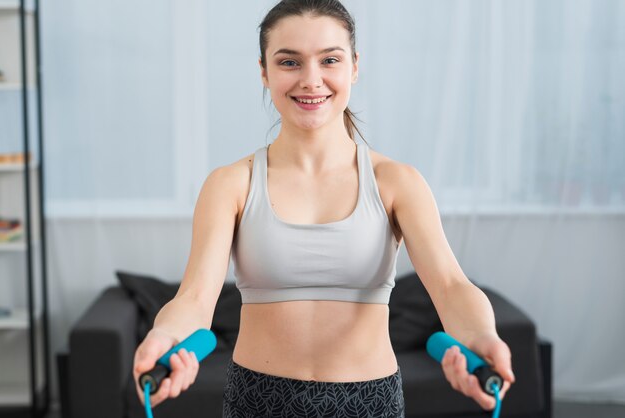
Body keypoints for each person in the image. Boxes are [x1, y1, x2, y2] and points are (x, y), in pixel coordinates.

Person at [132, 0, 516, 417]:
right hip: (255, 401)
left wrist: (483, 336)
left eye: (329, 60)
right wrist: (164, 335)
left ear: (353, 65)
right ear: (264, 71)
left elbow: (450, 286)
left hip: (371, 402)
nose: (311, 80)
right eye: (289, 62)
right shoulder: (230, 184)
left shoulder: (397, 182)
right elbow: (195, 297)